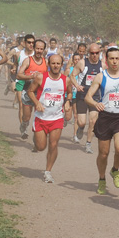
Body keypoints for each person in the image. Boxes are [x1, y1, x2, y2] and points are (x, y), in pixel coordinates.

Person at [85, 47, 119, 195]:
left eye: (117, 58)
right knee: (103, 154)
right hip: (105, 117)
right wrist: (95, 103)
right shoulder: (101, 76)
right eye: (111, 58)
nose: (115, 61)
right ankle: (102, 178)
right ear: (106, 59)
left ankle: (115, 170)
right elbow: (88, 97)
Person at [26, 54, 71, 183]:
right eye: (53, 63)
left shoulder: (65, 80)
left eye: (58, 63)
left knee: (53, 144)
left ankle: (48, 171)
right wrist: (37, 103)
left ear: (61, 64)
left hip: (56, 118)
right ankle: (36, 139)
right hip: (41, 118)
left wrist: (68, 102)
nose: (56, 66)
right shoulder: (41, 77)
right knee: (41, 147)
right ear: (49, 64)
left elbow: (69, 92)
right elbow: (30, 91)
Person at [70, 43, 104, 154]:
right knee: (82, 122)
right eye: (92, 53)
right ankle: (80, 129)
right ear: (88, 53)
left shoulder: (103, 64)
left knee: (93, 121)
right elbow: (72, 75)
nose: (94, 55)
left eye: (96, 53)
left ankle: (88, 144)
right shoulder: (82, 63)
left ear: (100, 52)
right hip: (82, 96)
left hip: (95, 97)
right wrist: (77, 85)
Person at [17, 39, 47, 140]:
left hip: (40, 93)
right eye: (37, 48)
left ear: (43, 50)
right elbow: (19, 75)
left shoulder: (45, 62)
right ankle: (24, 126)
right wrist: (31, 77)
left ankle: (36, 140)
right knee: (26, 117)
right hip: (27, 92)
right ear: (34, 48)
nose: (39, 51)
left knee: (39, 118)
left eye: (41, 49)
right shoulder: (28, 60)